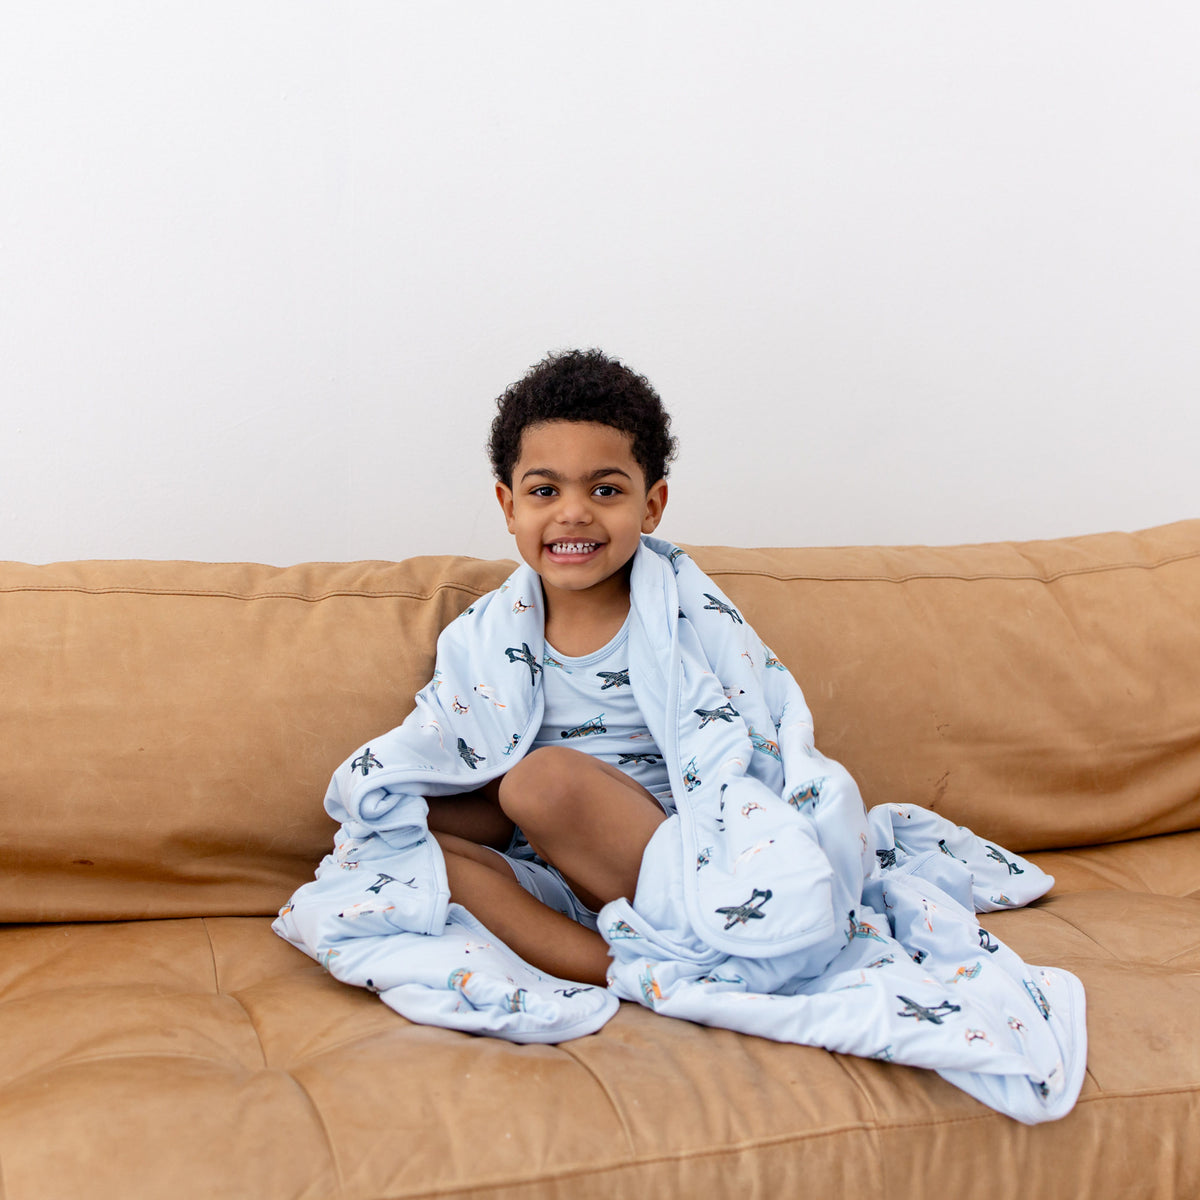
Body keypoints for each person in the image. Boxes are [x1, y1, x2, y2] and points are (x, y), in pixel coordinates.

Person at [423, 347, 680, 986]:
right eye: (545, 490)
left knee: (543, 782)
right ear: (510, 506)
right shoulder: (479, 638)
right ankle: (619, 969)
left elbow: (745, 739)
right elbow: (479, 774)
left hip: (666, 862)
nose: (573, 512)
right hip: (545, 876)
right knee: (403, 844)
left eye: (605, 489)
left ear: (651, 506)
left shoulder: (683, 618)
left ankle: (686, 946)